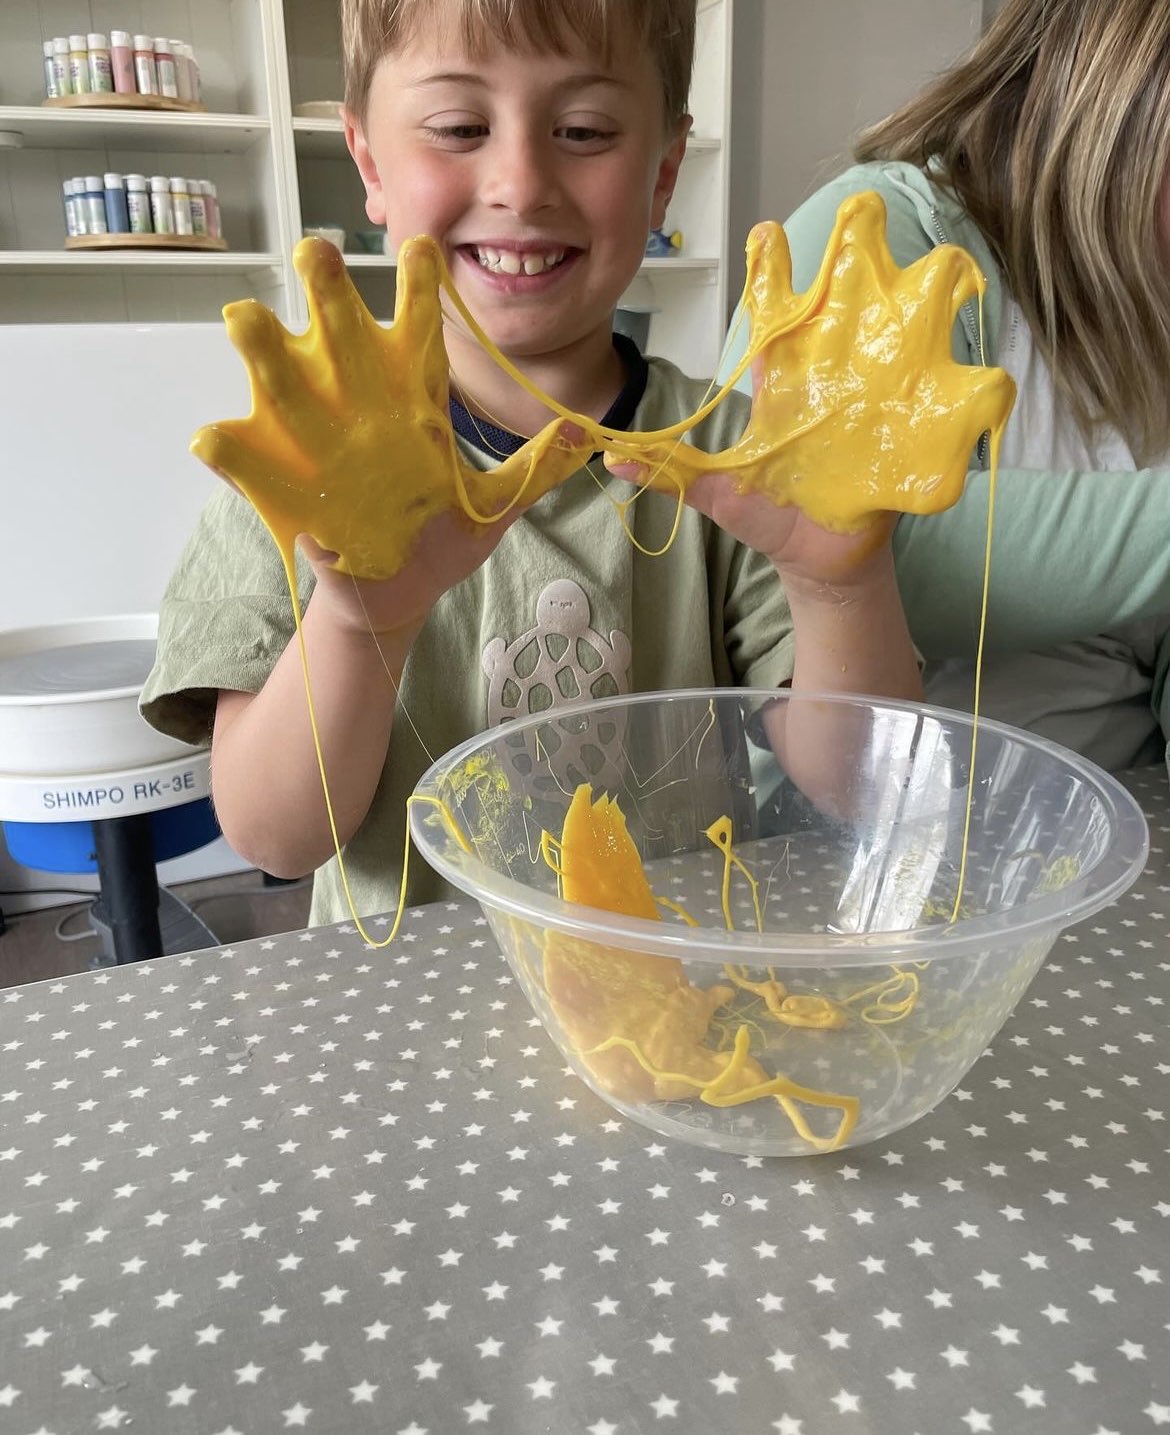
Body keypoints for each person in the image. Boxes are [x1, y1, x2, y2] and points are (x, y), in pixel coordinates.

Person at [140, 0, 923, 926]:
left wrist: (840, 586)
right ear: (370, 164)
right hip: (409, 1001)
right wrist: (357, 621)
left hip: (666, 987)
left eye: (583, 130)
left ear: (662, 174)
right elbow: (276, 838)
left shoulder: (735, 462)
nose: (521, 182)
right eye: (458, 127)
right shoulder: (301, 468)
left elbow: (858, 788)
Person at [719, 0, 1170, 773]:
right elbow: (852, 543)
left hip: (1121, 817)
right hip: (848, 819)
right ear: (1122, 101)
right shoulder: (874, 231)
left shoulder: (1146, 298)